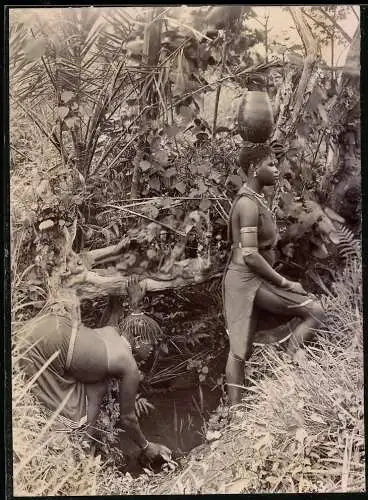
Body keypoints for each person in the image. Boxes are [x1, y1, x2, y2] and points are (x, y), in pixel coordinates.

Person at [20, 278, 171, 464]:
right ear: (138, 340)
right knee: (70, 413)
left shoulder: (112, 330)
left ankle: (85, 446)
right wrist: (147, 446)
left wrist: (134, 302)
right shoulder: (128, 364)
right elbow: (128, 418)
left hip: (48, 325)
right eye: (151, 344)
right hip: (49, 344)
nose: (152, 351)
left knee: (97, 388)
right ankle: (74, 449)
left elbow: (118, 310)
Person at [223, 142, 326, 405]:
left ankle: (288, 380)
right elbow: (249, 255)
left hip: (254, 278)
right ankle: (237, 414)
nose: (276, 168)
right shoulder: (247, 204)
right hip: (245, 280)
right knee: (240, 349)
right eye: (270, 164)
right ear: (253, 169)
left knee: (241, 349)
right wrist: (285, 282)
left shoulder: (257, 198)